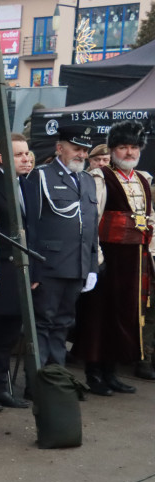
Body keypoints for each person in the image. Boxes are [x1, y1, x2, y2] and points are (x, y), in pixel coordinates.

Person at [77, 120, 154, 390]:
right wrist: (95, 257)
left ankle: (111, 371)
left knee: (123, 315)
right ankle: (94, 374)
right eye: (123, 147)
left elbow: (149, 218)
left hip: (134, 259)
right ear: (113, 149)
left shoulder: (143, 179)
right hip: (107, 256)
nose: (130, 152)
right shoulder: (101, 177)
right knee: (99, 315)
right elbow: (92, 218)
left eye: (134, 147)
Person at [21, 127, 99, 375]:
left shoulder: (87, 179)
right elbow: (30, 225)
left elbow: (91, 227)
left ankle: (57, 379)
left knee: (64, 324)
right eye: (76, 149)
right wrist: (33, 269)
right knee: (43, 324)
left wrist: (92, 266)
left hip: (77, 266)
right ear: (59, 148)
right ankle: (40, 382)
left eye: (85, 150)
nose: (81, 155)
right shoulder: (41, 176)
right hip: (49, 266)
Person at [0, 134, 41, 410]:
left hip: (21, 269)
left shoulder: (27, 185)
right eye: (19, 154)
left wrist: (34, 271)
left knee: (8, 336)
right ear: (3, 158)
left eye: (27, 153)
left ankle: (0, 388)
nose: (26, 158)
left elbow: (33, 230)